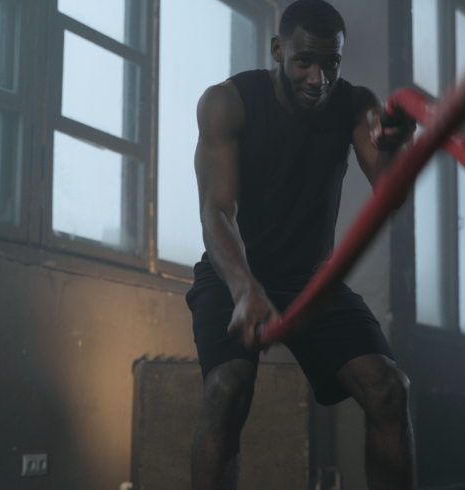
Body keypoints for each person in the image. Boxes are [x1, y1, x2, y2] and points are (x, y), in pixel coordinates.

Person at [184, 1, 416, 488]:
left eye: (331, 63)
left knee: (388, 388)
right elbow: (216, 211)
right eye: (304, 62)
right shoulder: (228, 103)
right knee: (227, 389)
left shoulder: (354, 105)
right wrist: (245, 287)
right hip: (234, 273)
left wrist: (397, 145)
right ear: (277, 50)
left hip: (313, 283)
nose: (319, 78)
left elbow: (391, 199)